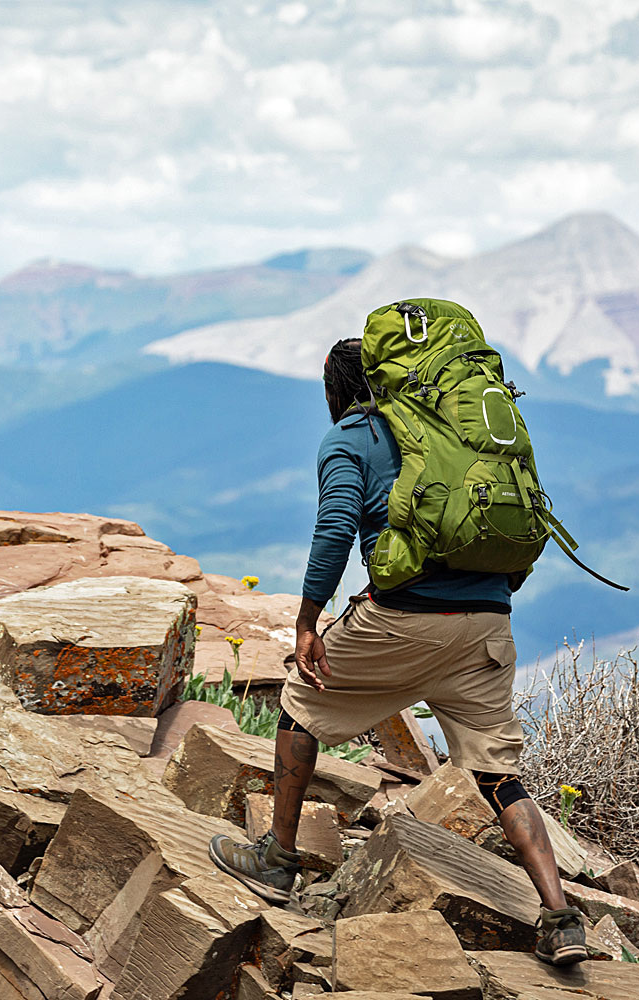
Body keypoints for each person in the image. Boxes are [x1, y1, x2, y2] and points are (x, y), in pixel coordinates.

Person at [209, 337, 588, 966]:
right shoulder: (451, 434)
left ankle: (277, 860)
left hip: (405, 621)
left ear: (336, 389)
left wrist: (308, 622)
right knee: (497, 774)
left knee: (300, 700)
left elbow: (334, 529)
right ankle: (561, 918)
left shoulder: (350, 438)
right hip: (487, 624)